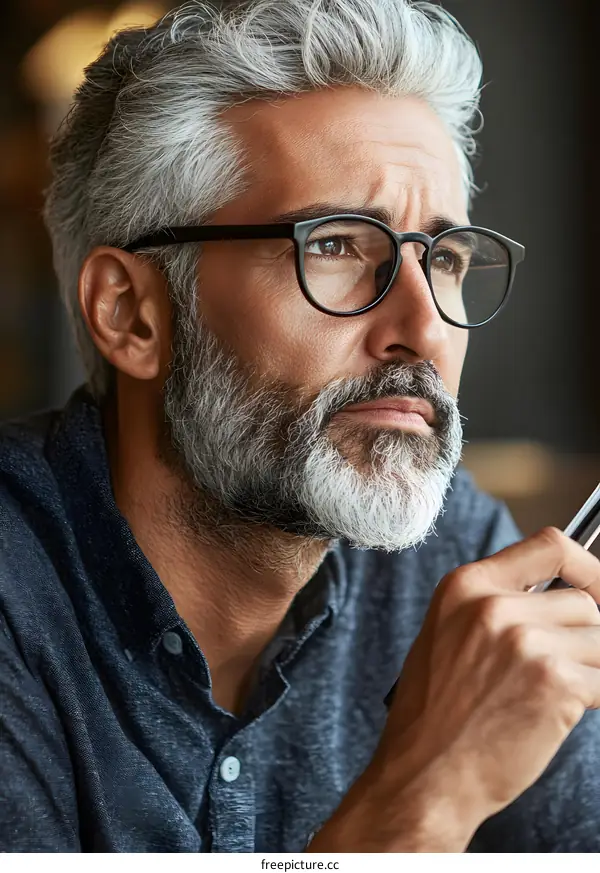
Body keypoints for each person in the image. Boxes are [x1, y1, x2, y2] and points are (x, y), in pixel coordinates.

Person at [1, 0, 599, 854]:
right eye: (337, 246)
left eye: (446, 259)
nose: (424, 327)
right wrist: (422, 798)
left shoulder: (455, 553)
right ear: (131, 313)